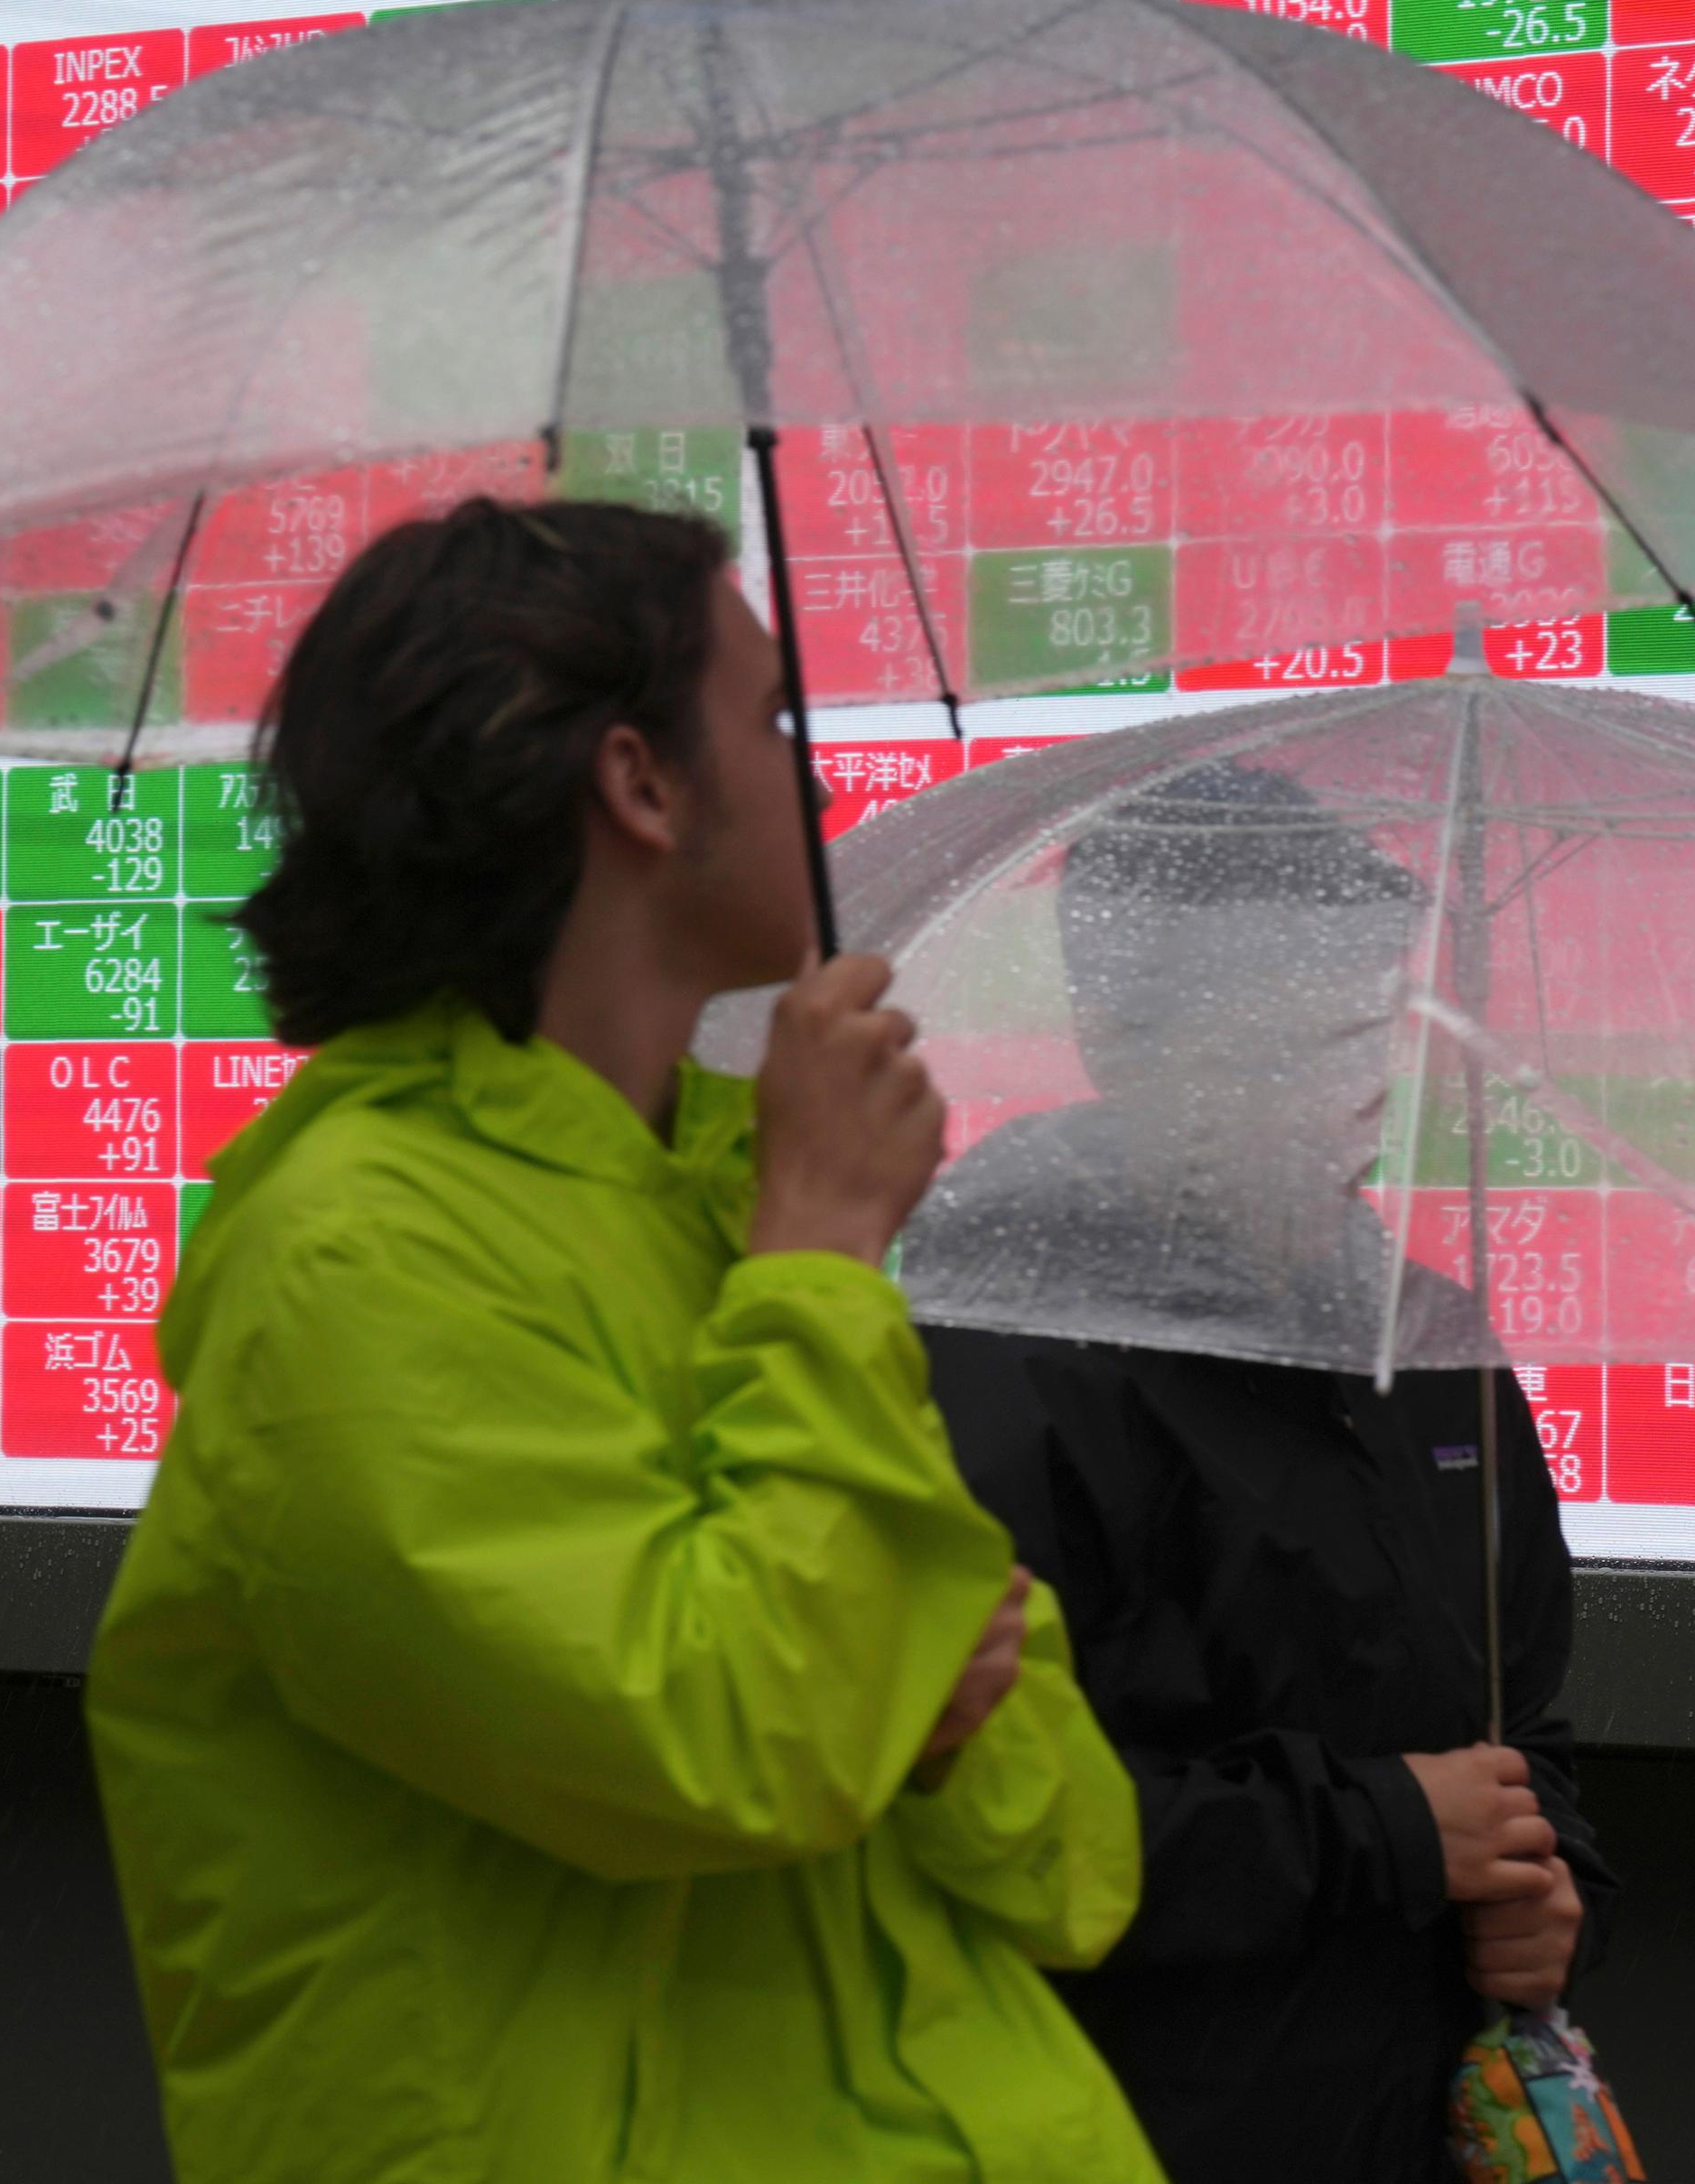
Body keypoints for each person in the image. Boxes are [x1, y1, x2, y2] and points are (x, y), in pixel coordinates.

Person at [83, 497, 1160, 2184]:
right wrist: (816, 1263)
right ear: (641, 784)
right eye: (770, 714)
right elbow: (733, 1744)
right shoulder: (356, 1256)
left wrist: (942, 1725)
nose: (811, 774)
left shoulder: (726, 1197)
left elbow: (1071, 1866)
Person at [913, 762, 1615, 2184]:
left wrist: (1554, 1885)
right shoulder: (1000, 1353)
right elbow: (997, 1823)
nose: (1356, 1094)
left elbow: (1517, 1727)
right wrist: (1391, 1832)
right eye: (1287, 1051)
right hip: (1127, 2128)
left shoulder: (1425, 1343)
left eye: (1371, 1031)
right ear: (1126, 1045)